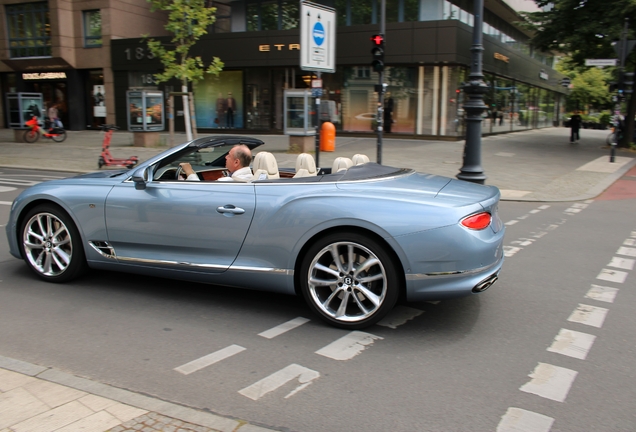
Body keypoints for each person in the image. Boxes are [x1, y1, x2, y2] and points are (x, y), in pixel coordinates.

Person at [180, 144, 252, 182]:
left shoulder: (228, 182)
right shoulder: (252, 178)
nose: (226, 157)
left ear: (236, 162)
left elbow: (200, 190)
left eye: (229, 156)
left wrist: (189, 171)